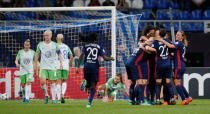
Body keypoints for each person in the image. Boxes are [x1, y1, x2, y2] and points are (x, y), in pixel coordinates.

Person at [76, 32, 114, 108]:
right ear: (95, 39)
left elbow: (81, 56)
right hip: (94, 67)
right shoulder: (99, 47)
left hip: (86, 66)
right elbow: (105, 58)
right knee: (93, 87)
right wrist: (111, 58)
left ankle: (86, 82)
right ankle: (89, 104)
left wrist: (77, 67)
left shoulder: (85, 46)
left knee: (88, 86)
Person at [156, 30, 192, 105]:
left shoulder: (178, 43)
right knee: (178, 83)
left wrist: (162, 40)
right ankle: (188, 97)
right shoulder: (181, 44)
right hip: (181, 65)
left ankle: (183, 100)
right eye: (176, 34)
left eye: (178, 35)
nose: (176, 36)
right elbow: (175, 53)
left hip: (178, 66)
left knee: (177, 84)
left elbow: (171, 46)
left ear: (182, 37)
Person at [145, 28, 175, 105]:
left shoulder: (155, 42)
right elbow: (172, 50)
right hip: (168, 64)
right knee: (168, 83)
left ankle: (157, 100)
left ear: (159, 34)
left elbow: (151, 48)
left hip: (159, 64)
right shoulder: (167, 41)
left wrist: (147, 47)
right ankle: (172, 99)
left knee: (158, 83)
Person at [34, 30, 63, 104]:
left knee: (52, 83)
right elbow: (37, 56)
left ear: (51, 36)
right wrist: (35, 66)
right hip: (43, 67)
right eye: (45, 35)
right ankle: (46, 95)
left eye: (47, 35)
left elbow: (59, 54)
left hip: (52, 67)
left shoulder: (55, 45)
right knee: (42, 82)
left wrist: (61, 63)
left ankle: (53, 99)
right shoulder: (40, 44)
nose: (46, 37)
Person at [125, 41, 151, 105]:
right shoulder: (145, 46)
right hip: (135, 64)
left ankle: (131, 100)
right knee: (141, 82)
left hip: (128, 63)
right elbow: (148, 50)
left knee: (133, 83)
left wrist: (141, 45)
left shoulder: (139, 47)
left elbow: (140, 42)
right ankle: (141, 101)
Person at [15, 39, 35, 103]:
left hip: (30, 71)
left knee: (28, 83)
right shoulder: (20, 52)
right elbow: (16, 60)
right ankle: (24, 96)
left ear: (30, 45)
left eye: (28, 45)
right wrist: (17, 63)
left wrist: (36, 68)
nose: (27, 46)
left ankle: (27, 98)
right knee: (23, 85)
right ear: (24, 45)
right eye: (26, 45)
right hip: (22, 71)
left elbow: (35, 61)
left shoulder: (33, 52)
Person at [55, 34, 73, 103]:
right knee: (64, 81)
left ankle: (59, 98)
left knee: (58, 81)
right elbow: (71, 56)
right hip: (65, 65)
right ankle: (63, 94)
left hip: (57, 65)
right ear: (63, 39)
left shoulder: (55, 46)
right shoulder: (66, 46)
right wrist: (70, 64)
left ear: (56, 38)